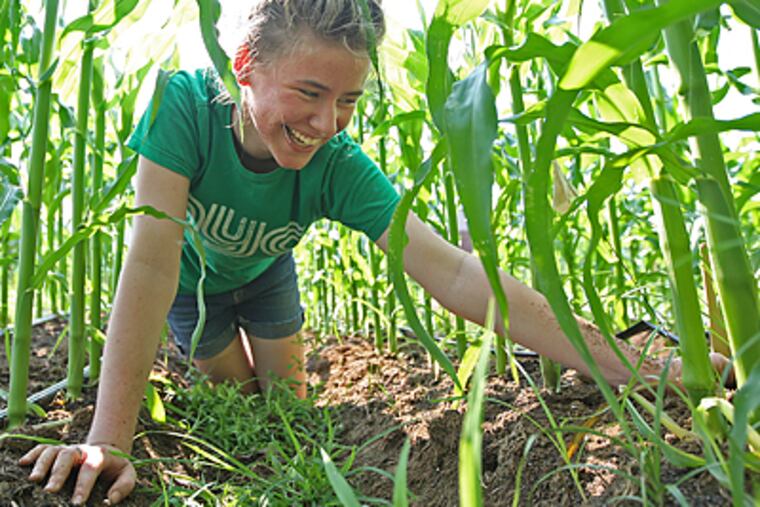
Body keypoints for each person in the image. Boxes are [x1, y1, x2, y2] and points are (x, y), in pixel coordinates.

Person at [17, 0, 720, 504]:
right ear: (245, 67)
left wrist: (641, 366)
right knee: (233, 406)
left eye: (348, 99)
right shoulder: (182, 107)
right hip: (193, 288)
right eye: (310, 92)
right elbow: (150, 260)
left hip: (267, 280)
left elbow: (455, 271)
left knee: (285, 417)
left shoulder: (338, 165)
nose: (326, 123)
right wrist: (110, 436)